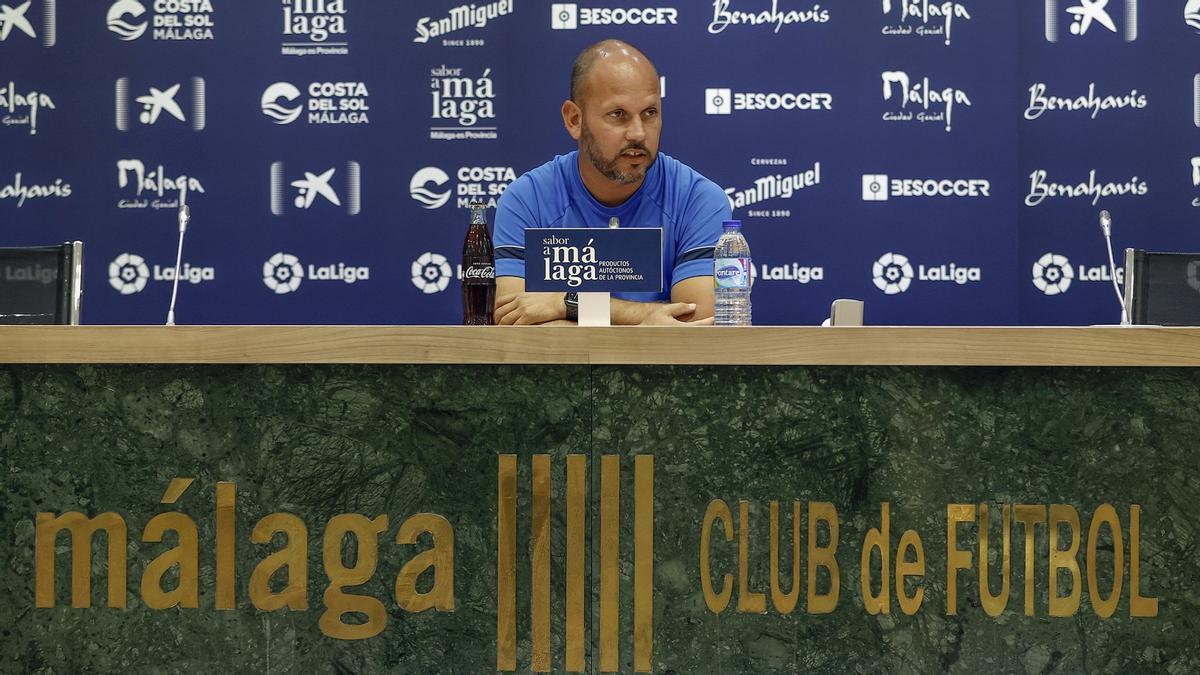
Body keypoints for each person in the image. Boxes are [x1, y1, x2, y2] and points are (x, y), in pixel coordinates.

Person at [492, 39, 731, 325]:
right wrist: (647, 316)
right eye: (618, 115)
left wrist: (563, 304)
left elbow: (695, 323)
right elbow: (512, 319)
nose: (638, 133)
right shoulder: (527, 199)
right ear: (574, 119)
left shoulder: (699, 199)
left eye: (650, 113)